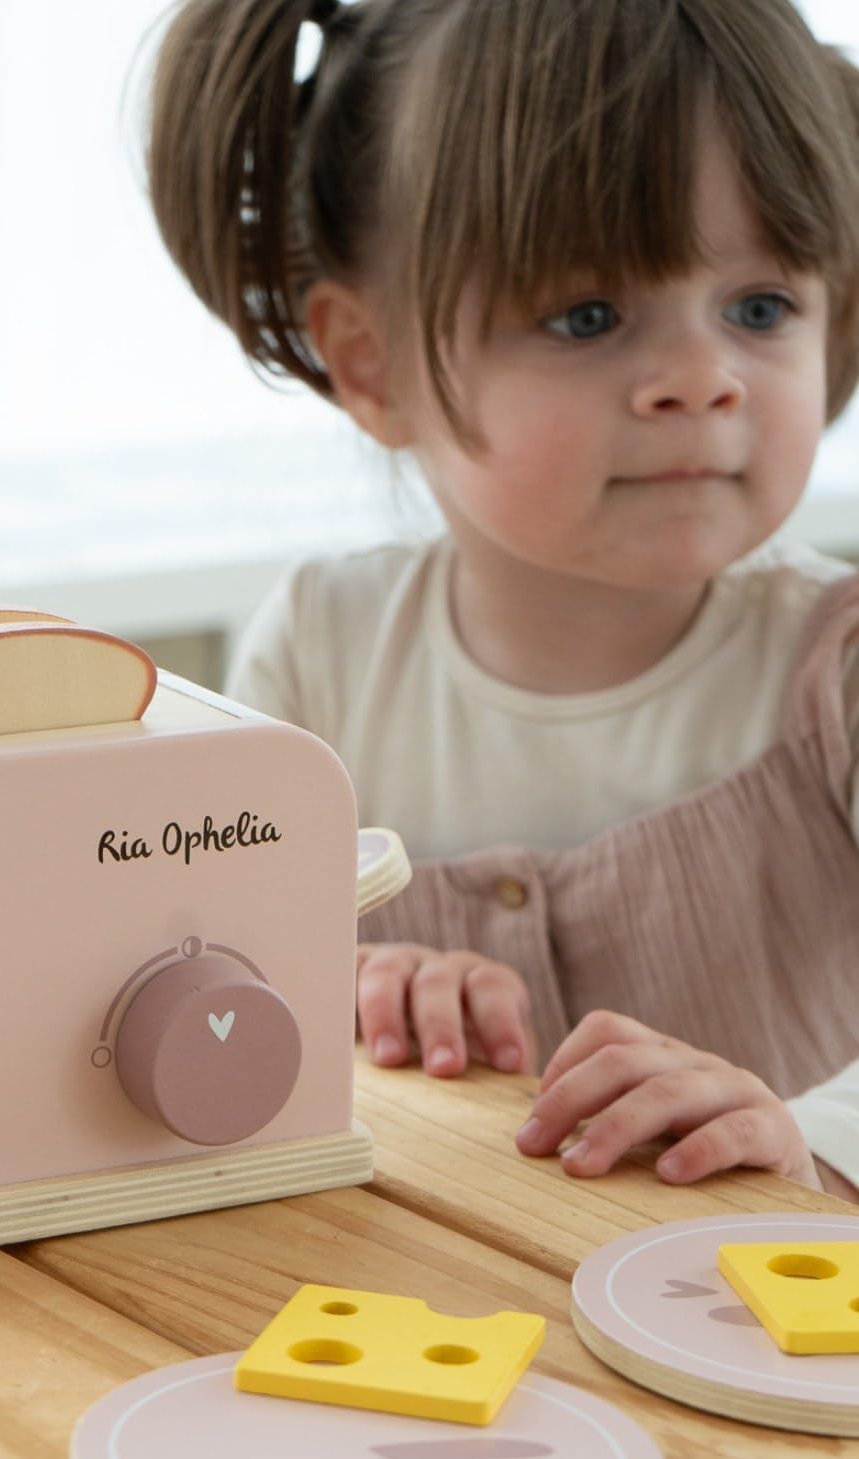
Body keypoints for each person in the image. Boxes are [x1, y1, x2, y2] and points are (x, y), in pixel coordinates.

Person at [144, 0, 859, 1199]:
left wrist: (810, 1140)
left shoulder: (835, 668)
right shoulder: (322, 651)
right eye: (588, 316)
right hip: (424, 1293)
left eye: (760, 308)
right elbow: (185, 994)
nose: (702, 379)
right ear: (370, 364)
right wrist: (340, 993)